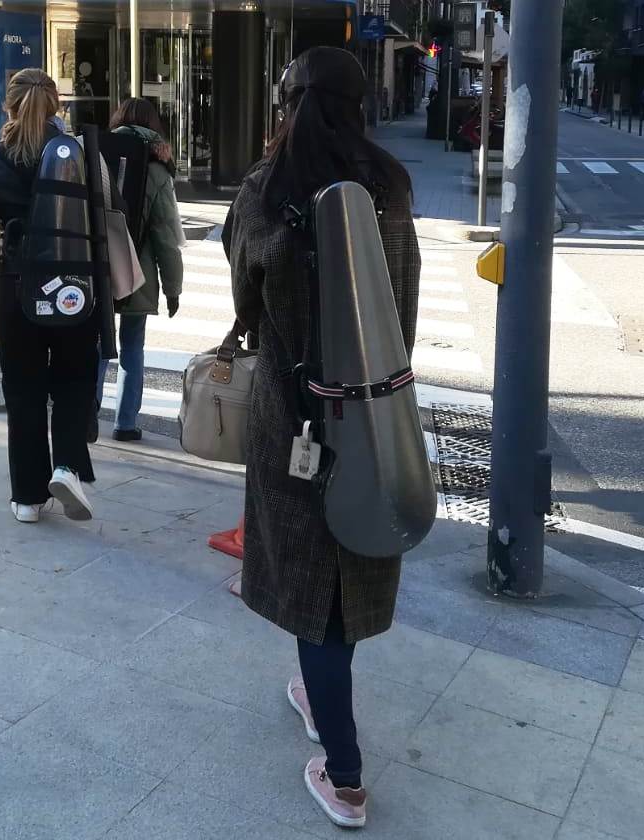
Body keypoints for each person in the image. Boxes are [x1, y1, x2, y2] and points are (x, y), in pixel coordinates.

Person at [224, 47, 420, 830]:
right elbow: (402, 312)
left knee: (317, 590)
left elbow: (245, 294)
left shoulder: (265, 191)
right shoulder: (389, 188)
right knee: (351, 566)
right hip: (375, 416)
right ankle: (317, 691)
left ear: (289, 102)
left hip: (293, 418)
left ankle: (344, 777)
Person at [0, 68, 98, 525]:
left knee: (24, 392)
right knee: (73, 380)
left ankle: (28, 499)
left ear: (7, 107)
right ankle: (68, 466)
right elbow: (111, 224)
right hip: (73, 291)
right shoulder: (81, 156)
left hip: (14, 293)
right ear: (57, 107)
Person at [96, 98, 185, 442]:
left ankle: (87, 413)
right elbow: (166, 237)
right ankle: (125, 423)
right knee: (132, 348)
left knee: (97, 344)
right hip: (137, 274)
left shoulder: (97, 156)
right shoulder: (158, 171)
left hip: (99, 266)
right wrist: (173, 289)